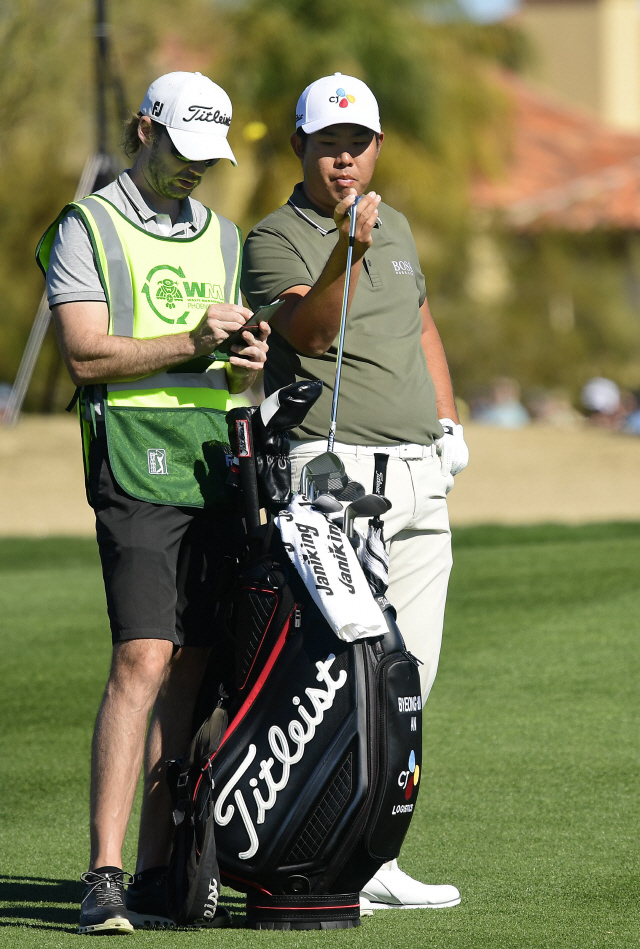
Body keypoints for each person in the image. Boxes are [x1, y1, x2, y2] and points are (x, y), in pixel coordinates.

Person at [36, 71, 270, 934]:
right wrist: (193, 337)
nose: (194, 172)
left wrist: (244, 358)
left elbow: (231, 367)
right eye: (181, 152)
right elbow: (85, 356)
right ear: (144, 129)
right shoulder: (86, 226)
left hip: (211, 469)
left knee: (195, 667)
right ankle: (102, 872)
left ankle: (160, 871)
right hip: (134, 467)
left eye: (208, 159)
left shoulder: (224, 234)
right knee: (141, 657)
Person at [241, 73, 468, 912]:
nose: (345, 160)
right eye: (330, 145)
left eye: (359, 144)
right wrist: (350, 248)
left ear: (376, 146)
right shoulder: (278, 234)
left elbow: (420, 321)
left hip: (418, 476)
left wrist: (447, 423)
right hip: (335, 478)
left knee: (410, 677)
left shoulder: (397, 222)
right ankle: (323, 858)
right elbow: (311, 329)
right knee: (342, 675)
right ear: (300, 146)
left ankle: (372, 853)